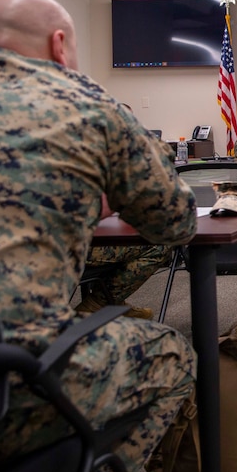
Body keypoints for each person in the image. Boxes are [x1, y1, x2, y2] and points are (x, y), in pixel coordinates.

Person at [0, 0, 199, 472]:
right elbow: (177, 224)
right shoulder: (88, 106)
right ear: (60, 44)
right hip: (5, 393)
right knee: (175, 357)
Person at [78, 104, 173, 320]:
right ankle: (101, 302)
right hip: (68, 250)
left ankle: (114, 303)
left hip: (13, 252)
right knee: (158, 244)